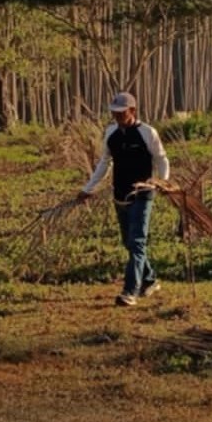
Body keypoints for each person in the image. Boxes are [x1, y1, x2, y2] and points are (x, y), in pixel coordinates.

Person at [78, 91, 171, 307]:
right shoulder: (111, 133)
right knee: (129, 242)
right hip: (120, 193)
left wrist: (162, 182)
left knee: (137, 241)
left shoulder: (148, 132)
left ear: (133, 111)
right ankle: (150, 280)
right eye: (114, 113)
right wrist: (89, 188)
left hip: (143, 193)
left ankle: (130, 291)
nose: (117, 117)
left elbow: (161, 159)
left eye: (122, 113)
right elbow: (104, 163)